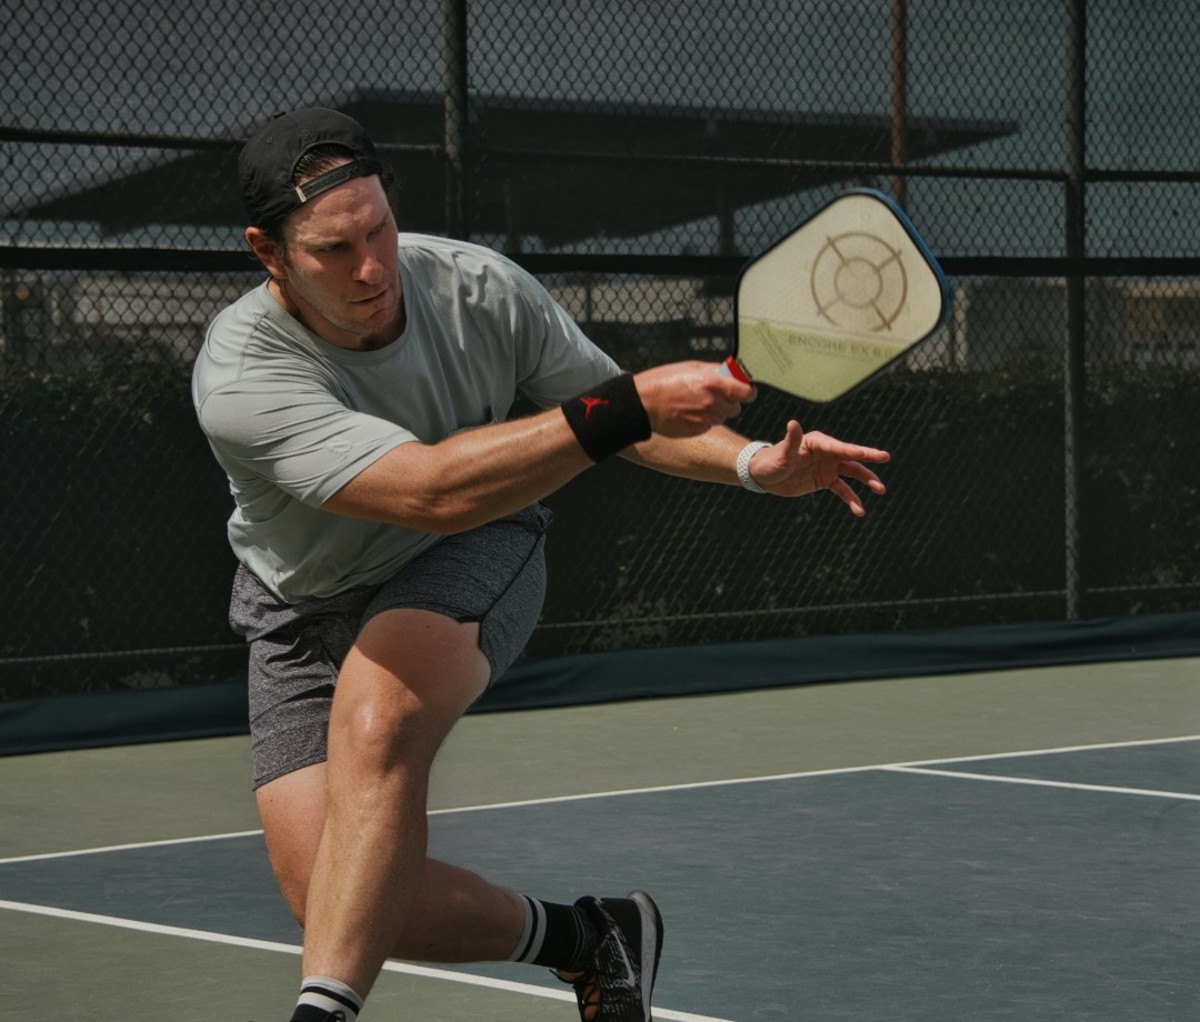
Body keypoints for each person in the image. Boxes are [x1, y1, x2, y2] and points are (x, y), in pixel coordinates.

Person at [192, 107, 891, 1022]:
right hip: (300, 601)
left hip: (470, 549)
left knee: (378, 719)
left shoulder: (481, 290)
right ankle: (589, 939)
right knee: (331, 892)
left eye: (379, 230)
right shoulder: (243, 375)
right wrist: (626, 407)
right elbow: (430, 485)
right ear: (268, 252)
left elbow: (621, 429)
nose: (370, 267)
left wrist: (756, 465)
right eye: (332, 249)